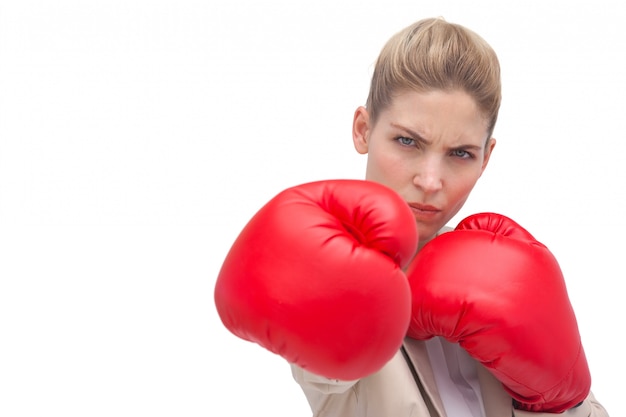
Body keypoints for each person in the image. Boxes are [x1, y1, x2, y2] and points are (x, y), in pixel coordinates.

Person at [214, 17, 610, 416]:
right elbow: (327, 378)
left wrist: (562, 404)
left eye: (460, 153)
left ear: (486, 158)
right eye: (407, 141)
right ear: (363, 130)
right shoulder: (327, 265)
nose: (431, 180)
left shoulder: (506, 270)